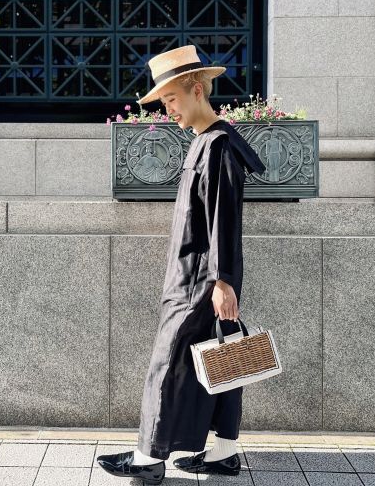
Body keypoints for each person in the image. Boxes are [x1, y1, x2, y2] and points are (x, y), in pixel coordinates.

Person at [96, 45, 267, 485]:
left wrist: (223, 281)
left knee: (168, 360)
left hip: (200, 279)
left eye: (171, 99)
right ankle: (224, 452)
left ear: (196, 90)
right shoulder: (207, 142)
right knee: (225, 352)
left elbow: (224, 220)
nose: (167, 109)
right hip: (199, 275)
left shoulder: (219, 146)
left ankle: (147, 457)